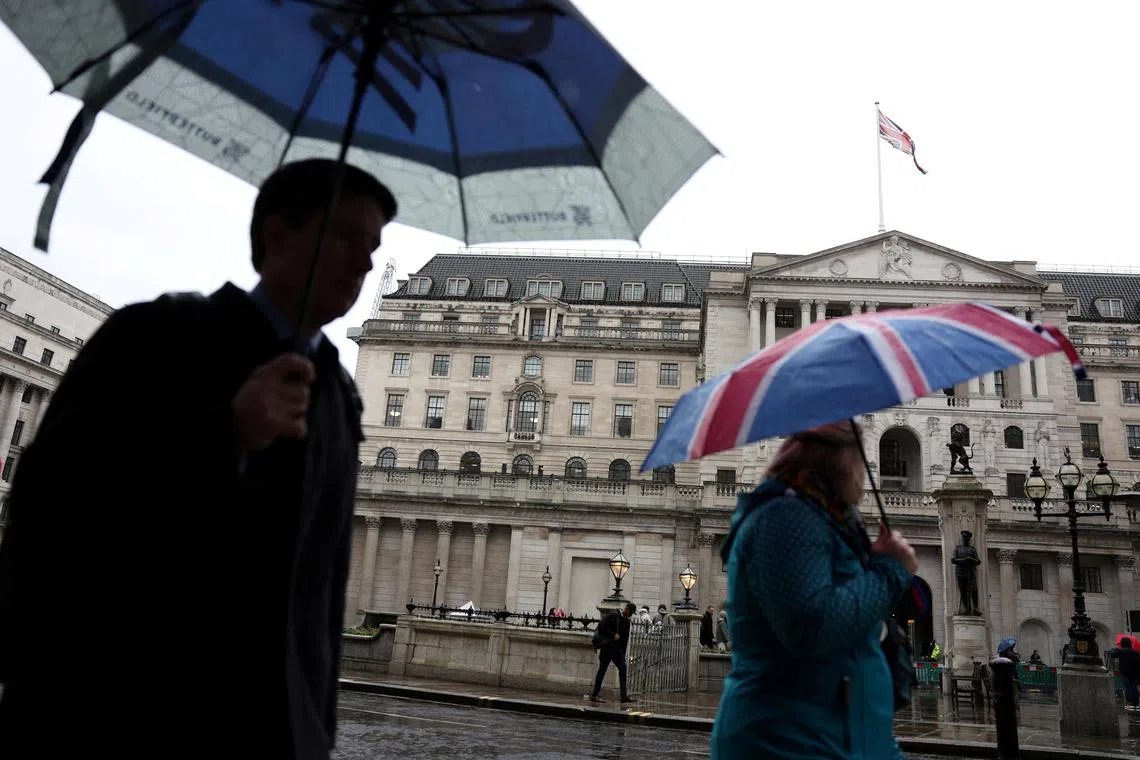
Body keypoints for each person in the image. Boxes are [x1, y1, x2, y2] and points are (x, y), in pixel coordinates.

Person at [0, 159, 396, 758]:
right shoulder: (155, 336)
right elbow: (48, 504)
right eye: (344, 236)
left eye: (373, 246)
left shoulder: (337, 395)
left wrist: (313, 729)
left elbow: (318, 589)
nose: (365, 263)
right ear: (276, 234)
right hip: (118, 715)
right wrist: (226, 435)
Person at [711, 421, 918, 760]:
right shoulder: (787, 517)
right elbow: (810, 626)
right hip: (790, 740)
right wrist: (891, 570)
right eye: (862, 460)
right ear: (843, 461)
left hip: (842, 735)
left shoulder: (822, 518)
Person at [590, 602, 636, 704]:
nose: (631, 615)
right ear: (626, 609)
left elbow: (625, 639)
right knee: (602, 670)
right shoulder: (614, 615)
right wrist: (612, 634)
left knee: (623, 669)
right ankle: (594, 695)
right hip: (607, 647)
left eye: (632, 613)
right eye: (630, 612)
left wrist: (623, 653)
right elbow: (601, 626)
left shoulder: (626, 621)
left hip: (617, 650)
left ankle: (623, 696)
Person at [1107, 637, 1139, 711]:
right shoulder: (1134, 652)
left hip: (1124, 672)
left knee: (1127, 687)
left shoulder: (1121, 651)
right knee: (1134, 687)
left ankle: (1129, 703)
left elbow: (1112, 655)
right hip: (1134, 673)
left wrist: (1113, 649)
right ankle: (1136, 704)